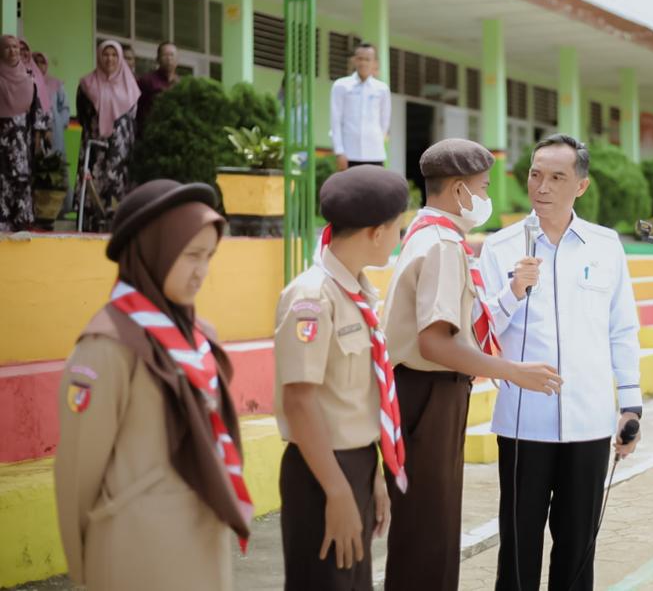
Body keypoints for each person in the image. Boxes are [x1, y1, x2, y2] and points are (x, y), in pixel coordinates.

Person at [380, 139, 561, 591]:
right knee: (430, 530)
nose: (484, 196)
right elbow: (437, 341)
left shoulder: (430, 234)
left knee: (427, 525)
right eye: (481, 187)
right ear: (460, 191)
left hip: (426, 392)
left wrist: (513, 290)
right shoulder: (441, 245)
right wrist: (514, 372)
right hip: (429, 392)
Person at [54, 179, 253, 590]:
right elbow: (77, 476)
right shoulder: (108, 346)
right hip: (137, 555)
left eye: (209, 256)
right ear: (153, 252)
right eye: (191, 255)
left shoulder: (199, 336)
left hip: (202, 545)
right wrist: (83, 571)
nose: (203, 270)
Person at [479, 134, 642, 591]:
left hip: (589, 422)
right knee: (517, 546)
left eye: (556, 177)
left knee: (577, 548)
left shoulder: (605, 246)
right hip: (522, 424)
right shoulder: (499, 247)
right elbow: (482, 328)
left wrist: (631, 405)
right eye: (535, 174)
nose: (542, 187)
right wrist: (513, 291)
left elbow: (622, 329)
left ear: (581, 186)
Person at [274, 166, 409, 590]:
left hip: (354, 463)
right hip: (321, 471)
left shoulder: (356, 292)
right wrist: (335, 491)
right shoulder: (313, 298)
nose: (398, 239)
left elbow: (355, 398)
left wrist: (373, 476)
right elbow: (299, 400)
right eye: (397, 230)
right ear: (375, 233)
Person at [75, 40, 141, 231]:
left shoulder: (131, 86)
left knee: (118, 190)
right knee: (93, 190)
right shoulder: (87, 84)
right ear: (99, 57)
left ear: (119, 58)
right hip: (95, 147)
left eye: (114, 54)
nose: (109, 58)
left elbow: (132, 118)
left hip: (121, 150)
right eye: (105, 54)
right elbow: (82, 116)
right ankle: (90, 229)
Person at [0, 35, 52, 231]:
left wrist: (37, 138)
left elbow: (36, 110)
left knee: (21, 180)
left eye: (15, 47)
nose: (13, 51)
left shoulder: (29, 78)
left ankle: (21, 222)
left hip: (22, 140)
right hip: (2, 141)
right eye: (7, 48)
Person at [329, 43, 391, 171]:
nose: (363, 63)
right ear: (354, 60)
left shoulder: (382, 89)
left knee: (376, 190)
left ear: (374, 62)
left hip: (375, 154)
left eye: (367, 59)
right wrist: (339, 152)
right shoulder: (341, 86)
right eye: (360, 58)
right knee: (349, 190)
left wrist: (377, 139)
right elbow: (335, 121)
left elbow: (385, 122)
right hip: (349, 154)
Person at [136, 42, 179, 137]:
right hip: (150, 134)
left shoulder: (180, 84)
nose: (169, 59)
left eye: (172, 55)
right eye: (165, 55)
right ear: (158, 59)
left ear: (177, 60)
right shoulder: (146, 81)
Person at [32, 51, 71, 157]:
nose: (39, 65)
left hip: (54, 129)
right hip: (33, 132)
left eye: (42, 62)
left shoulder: (55, 83)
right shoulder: (28, 83)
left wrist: (59, 124)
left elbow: (65, 107)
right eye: (36, 62)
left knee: (55, 162)